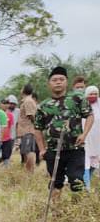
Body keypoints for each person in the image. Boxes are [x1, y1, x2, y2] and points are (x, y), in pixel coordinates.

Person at [33, 66, 94, 201]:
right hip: (54, 150)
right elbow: (37, 128)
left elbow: (89, 115)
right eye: (54, 80)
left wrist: (84, 135)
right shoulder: (43, 106)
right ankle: (55, 210)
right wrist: (42, 149)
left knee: (76, 180)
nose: (58, 82)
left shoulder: (77, 99)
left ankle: (78, 211)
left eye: (61, 79)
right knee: (56, 181)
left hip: (75, 149)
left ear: (66, 82)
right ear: (49, 84)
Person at [18, 84, 39, 172]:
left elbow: (31, 115)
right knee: (26, 151)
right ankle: (28, 170)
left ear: (24, 90)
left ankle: (30, 171)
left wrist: (36, 126)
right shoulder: (26, 101)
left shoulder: (28, 101)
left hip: (28, 130)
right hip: (24, 130)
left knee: (29, 151)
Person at [84, 85, 100, 190]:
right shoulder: (83, 106)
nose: (93, 96)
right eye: (91, 94)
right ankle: (86, 188)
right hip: (85, 139)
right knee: (85, 163)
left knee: (94, 162)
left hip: (97, 140)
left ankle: (88, 181)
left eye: (95, 94)